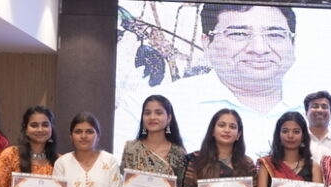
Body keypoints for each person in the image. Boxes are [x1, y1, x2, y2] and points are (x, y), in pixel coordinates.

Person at [123, 4, 302, 151]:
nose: (259, 48)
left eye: (275, 35)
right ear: (207, 43)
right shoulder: (145, 108)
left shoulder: (313, 108)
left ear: (292, 44)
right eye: (239, 34)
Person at [304, 91, 331, 161]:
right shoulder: (297, 141)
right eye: (315, 106)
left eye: (324, 107)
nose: (320, 110)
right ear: (306, 112)